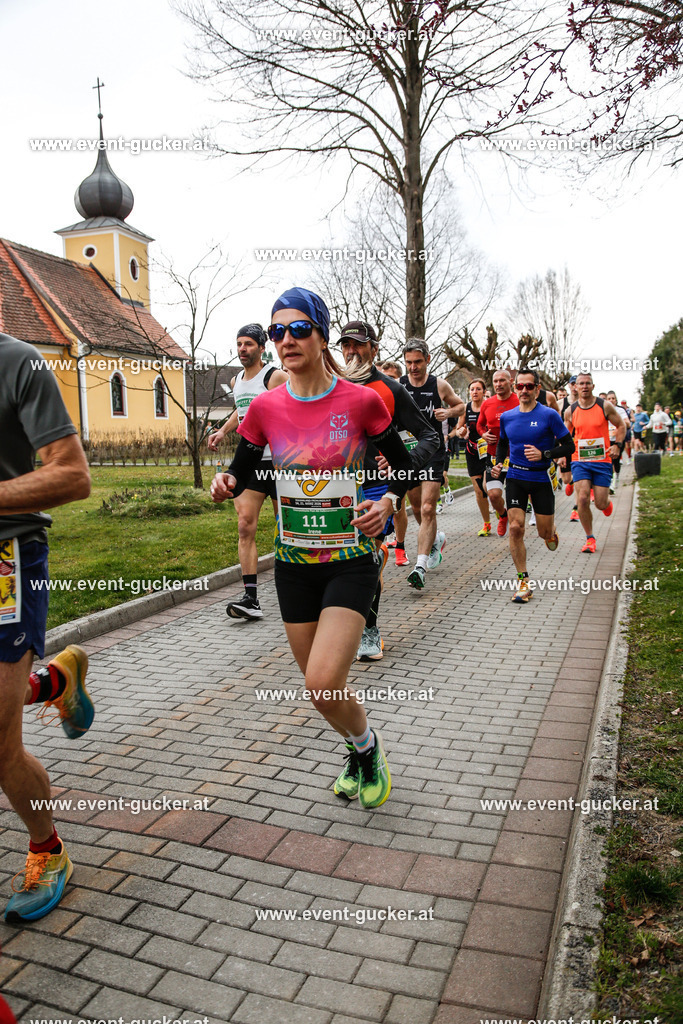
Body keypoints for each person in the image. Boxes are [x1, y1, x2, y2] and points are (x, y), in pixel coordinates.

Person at [210, 288, 414, 809]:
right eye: (277, 331)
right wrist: (226, 482)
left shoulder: (361, 400)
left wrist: (389, 501)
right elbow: (244, 469)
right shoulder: (264, 408)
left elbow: (408, 462)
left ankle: (368, 748)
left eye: (299, 328)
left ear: (322, 336)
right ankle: (355, 747)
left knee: (325, 683)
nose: (285, 340)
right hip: (295, 565)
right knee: (316, 688)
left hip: (351, 557)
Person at [0, 333, 94, 922]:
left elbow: (73, 476)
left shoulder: (17, 362)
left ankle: (48, 849)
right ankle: (51, 684)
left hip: (4, 560)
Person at [338, 321, 440, 660]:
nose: (351, 352)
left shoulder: (390, 389)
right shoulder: (331, 386)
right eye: (345, 346)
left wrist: (403, 460)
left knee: (367, 558)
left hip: (377, 487)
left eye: (358, 345)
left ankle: (369, 630)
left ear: (374, 349)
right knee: (341, 562)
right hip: (336, 487)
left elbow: (430, 436)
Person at [208, 325, 288, 620]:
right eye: (239, 344)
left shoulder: (275, 376)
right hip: (252, 463)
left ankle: (297, 585)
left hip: (280, 463)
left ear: (261, 348)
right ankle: (251, 598)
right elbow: (242, 410)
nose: (243, 349)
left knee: (287, 528)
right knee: (245, 525)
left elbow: (294, 407)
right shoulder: (236, 380)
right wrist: (222, 431)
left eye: (248, 344)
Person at [492, 368, 575, 602]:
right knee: (516, 527)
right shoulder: (508, 417)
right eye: (520, 386)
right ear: (514, 387)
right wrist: (499, 463)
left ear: (538, 389)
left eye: (530, 386)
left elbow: (569, 446)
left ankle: (551, 532)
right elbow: (502, 443)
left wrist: (545, 453)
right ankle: (523, 582)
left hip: (540, 479)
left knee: (543, 533)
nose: (524, 390)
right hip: (516, 478)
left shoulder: (549, 415)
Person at [399, 340, 465, 589]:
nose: (413, 367)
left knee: (427, 508)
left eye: (418, 361)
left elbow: (460, 405)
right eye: (409, 362)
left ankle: (420, 566)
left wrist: (448, 413)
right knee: (416, 507)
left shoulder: (439, 384)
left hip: (434, 451)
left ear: (427, 359)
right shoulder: (399, 385)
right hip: (407, 453)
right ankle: (436, 538)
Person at [563, 373, 626, 552]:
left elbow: (621, 426)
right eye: (580, 384)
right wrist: (561, 455)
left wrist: (617, 446)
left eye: (587, 383)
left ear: (593, 386)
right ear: (575, 387)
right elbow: (565, 436)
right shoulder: (571, 411)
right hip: (580, 460)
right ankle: (590, 538)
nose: (583, 386)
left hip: (602, 460)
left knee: (599, 503)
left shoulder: (604, 406)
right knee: (582, 498)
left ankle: (606, 504)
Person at [476, 369, 519, 536]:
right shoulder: (487, 403)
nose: (498, 384)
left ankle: (517, 530)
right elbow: (480, 425)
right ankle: (503, 515)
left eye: (502, 380)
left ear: (510, 382)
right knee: (493, 495)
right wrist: (483, 434)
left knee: (516, 496)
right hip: (494, 455)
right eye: (495, 381)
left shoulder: (518, 401)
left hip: (516, 455)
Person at [456, 379, 493, 535]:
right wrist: (461, 432)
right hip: (472, 452)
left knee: (487, 487)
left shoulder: (490, 406)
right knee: (479, 491)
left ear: (484, 392)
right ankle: (486, 524)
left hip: (489, 451)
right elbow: (458, 428)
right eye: (472, 389)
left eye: (478, 389)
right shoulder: (466, 408)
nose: (475, 392)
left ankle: (498, 508)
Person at [606, 391, 630, 491]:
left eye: (613, 398)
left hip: (618, 439)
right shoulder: (603, 410)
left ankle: (617, 476)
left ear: (616, 400)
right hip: (607, 439)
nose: (611, 400)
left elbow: (628, 424)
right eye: (609, 398)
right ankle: (611, 482)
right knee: (609, 461)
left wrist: (619, 424)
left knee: (616, 461)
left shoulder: (620, 410)